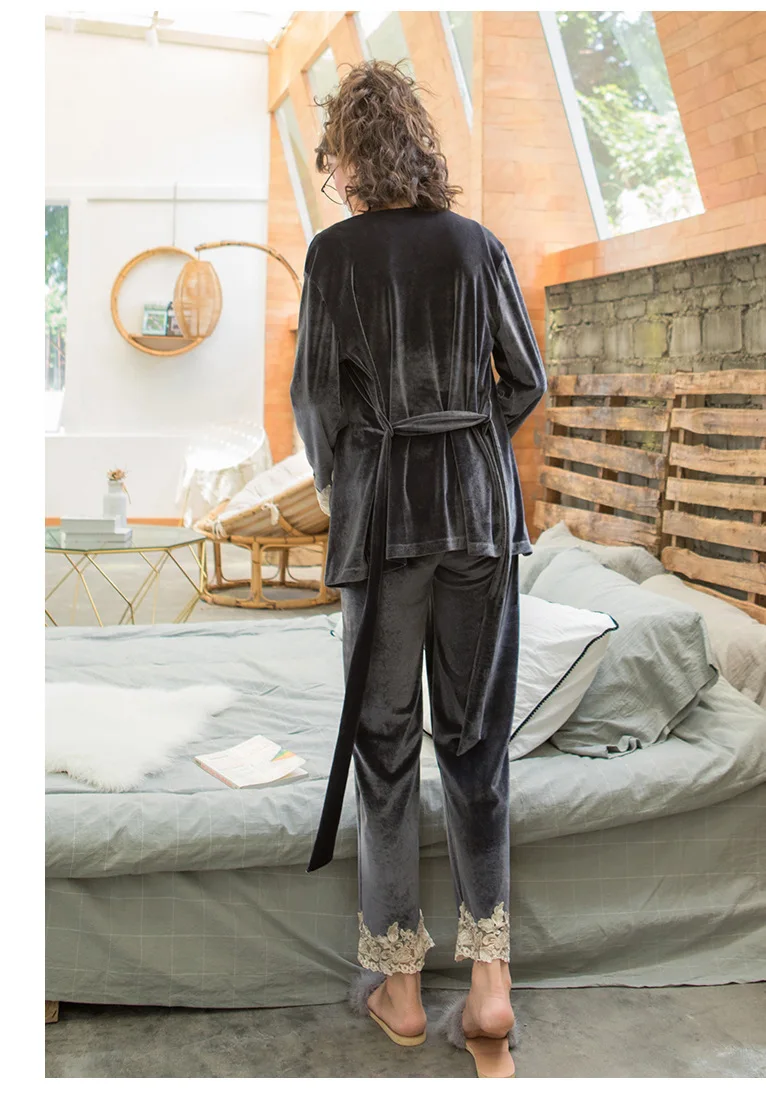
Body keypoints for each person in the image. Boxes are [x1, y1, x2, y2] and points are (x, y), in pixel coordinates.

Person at [290, 60, 546, 1077]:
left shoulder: (333, 255)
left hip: (386, 521)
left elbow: (317, 403)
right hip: (480, 520)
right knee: (477, 747)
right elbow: (523, 380)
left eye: (334, 163)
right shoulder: (478, 243)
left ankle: (399, 986)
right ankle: (490, 986)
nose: (336, 180)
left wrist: (352, 477)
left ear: (352, 158)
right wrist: (467, 442)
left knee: (386, 750)